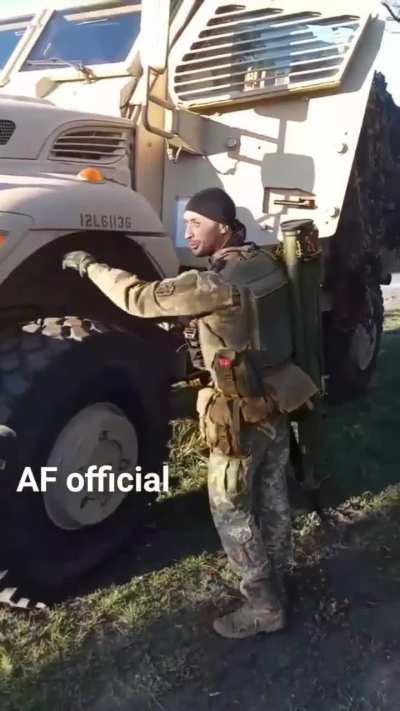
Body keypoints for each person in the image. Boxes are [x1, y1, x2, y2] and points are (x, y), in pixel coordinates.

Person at [62, 188, 317, 638]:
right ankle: (279, 577)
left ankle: (263, 606)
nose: (187, 232)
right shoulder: (265, 263)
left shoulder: (213, 284)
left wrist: (89, 265)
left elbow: (139, 299)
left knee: (231, 511)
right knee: (272, 496)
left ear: (222, 226)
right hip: (276, 402)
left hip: (238, 416)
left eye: (195, 224)